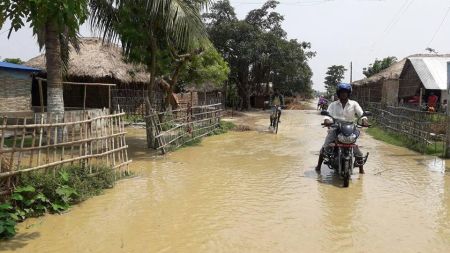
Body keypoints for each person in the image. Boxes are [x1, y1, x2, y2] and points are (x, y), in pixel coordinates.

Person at [315, 83, 369, 174]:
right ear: (338, 93)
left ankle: (361, 170)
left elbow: (361, 113)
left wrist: (364, 120)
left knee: (357, 151)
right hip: (336, 127)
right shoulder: (333, 105)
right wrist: (327, 120)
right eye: (341, 92)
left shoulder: (354, 104)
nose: (343, 94)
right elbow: (328, 115)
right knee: (325, 147)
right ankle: (318, 166)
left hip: (350, 127)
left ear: (348, 93)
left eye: (345, 92)